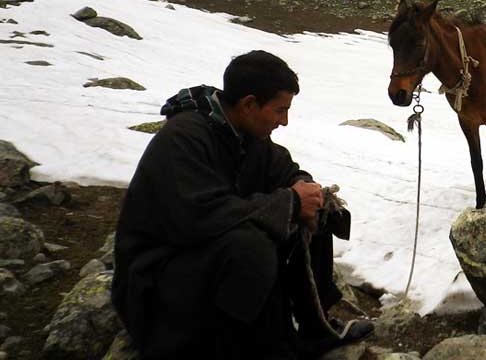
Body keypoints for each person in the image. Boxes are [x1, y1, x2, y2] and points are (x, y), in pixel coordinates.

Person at [111, 50, 372, 360]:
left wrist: (307, 192)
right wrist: (289, 202)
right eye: (280, 110)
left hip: (198, 270)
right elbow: (201, 218)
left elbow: (284, 171)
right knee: (249, 245)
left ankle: (311, 329)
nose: (284, 122)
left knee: (315, 212)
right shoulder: (183, 138)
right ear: (249, 104)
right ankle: (237, 348)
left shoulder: (245, 135)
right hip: (155, 287)